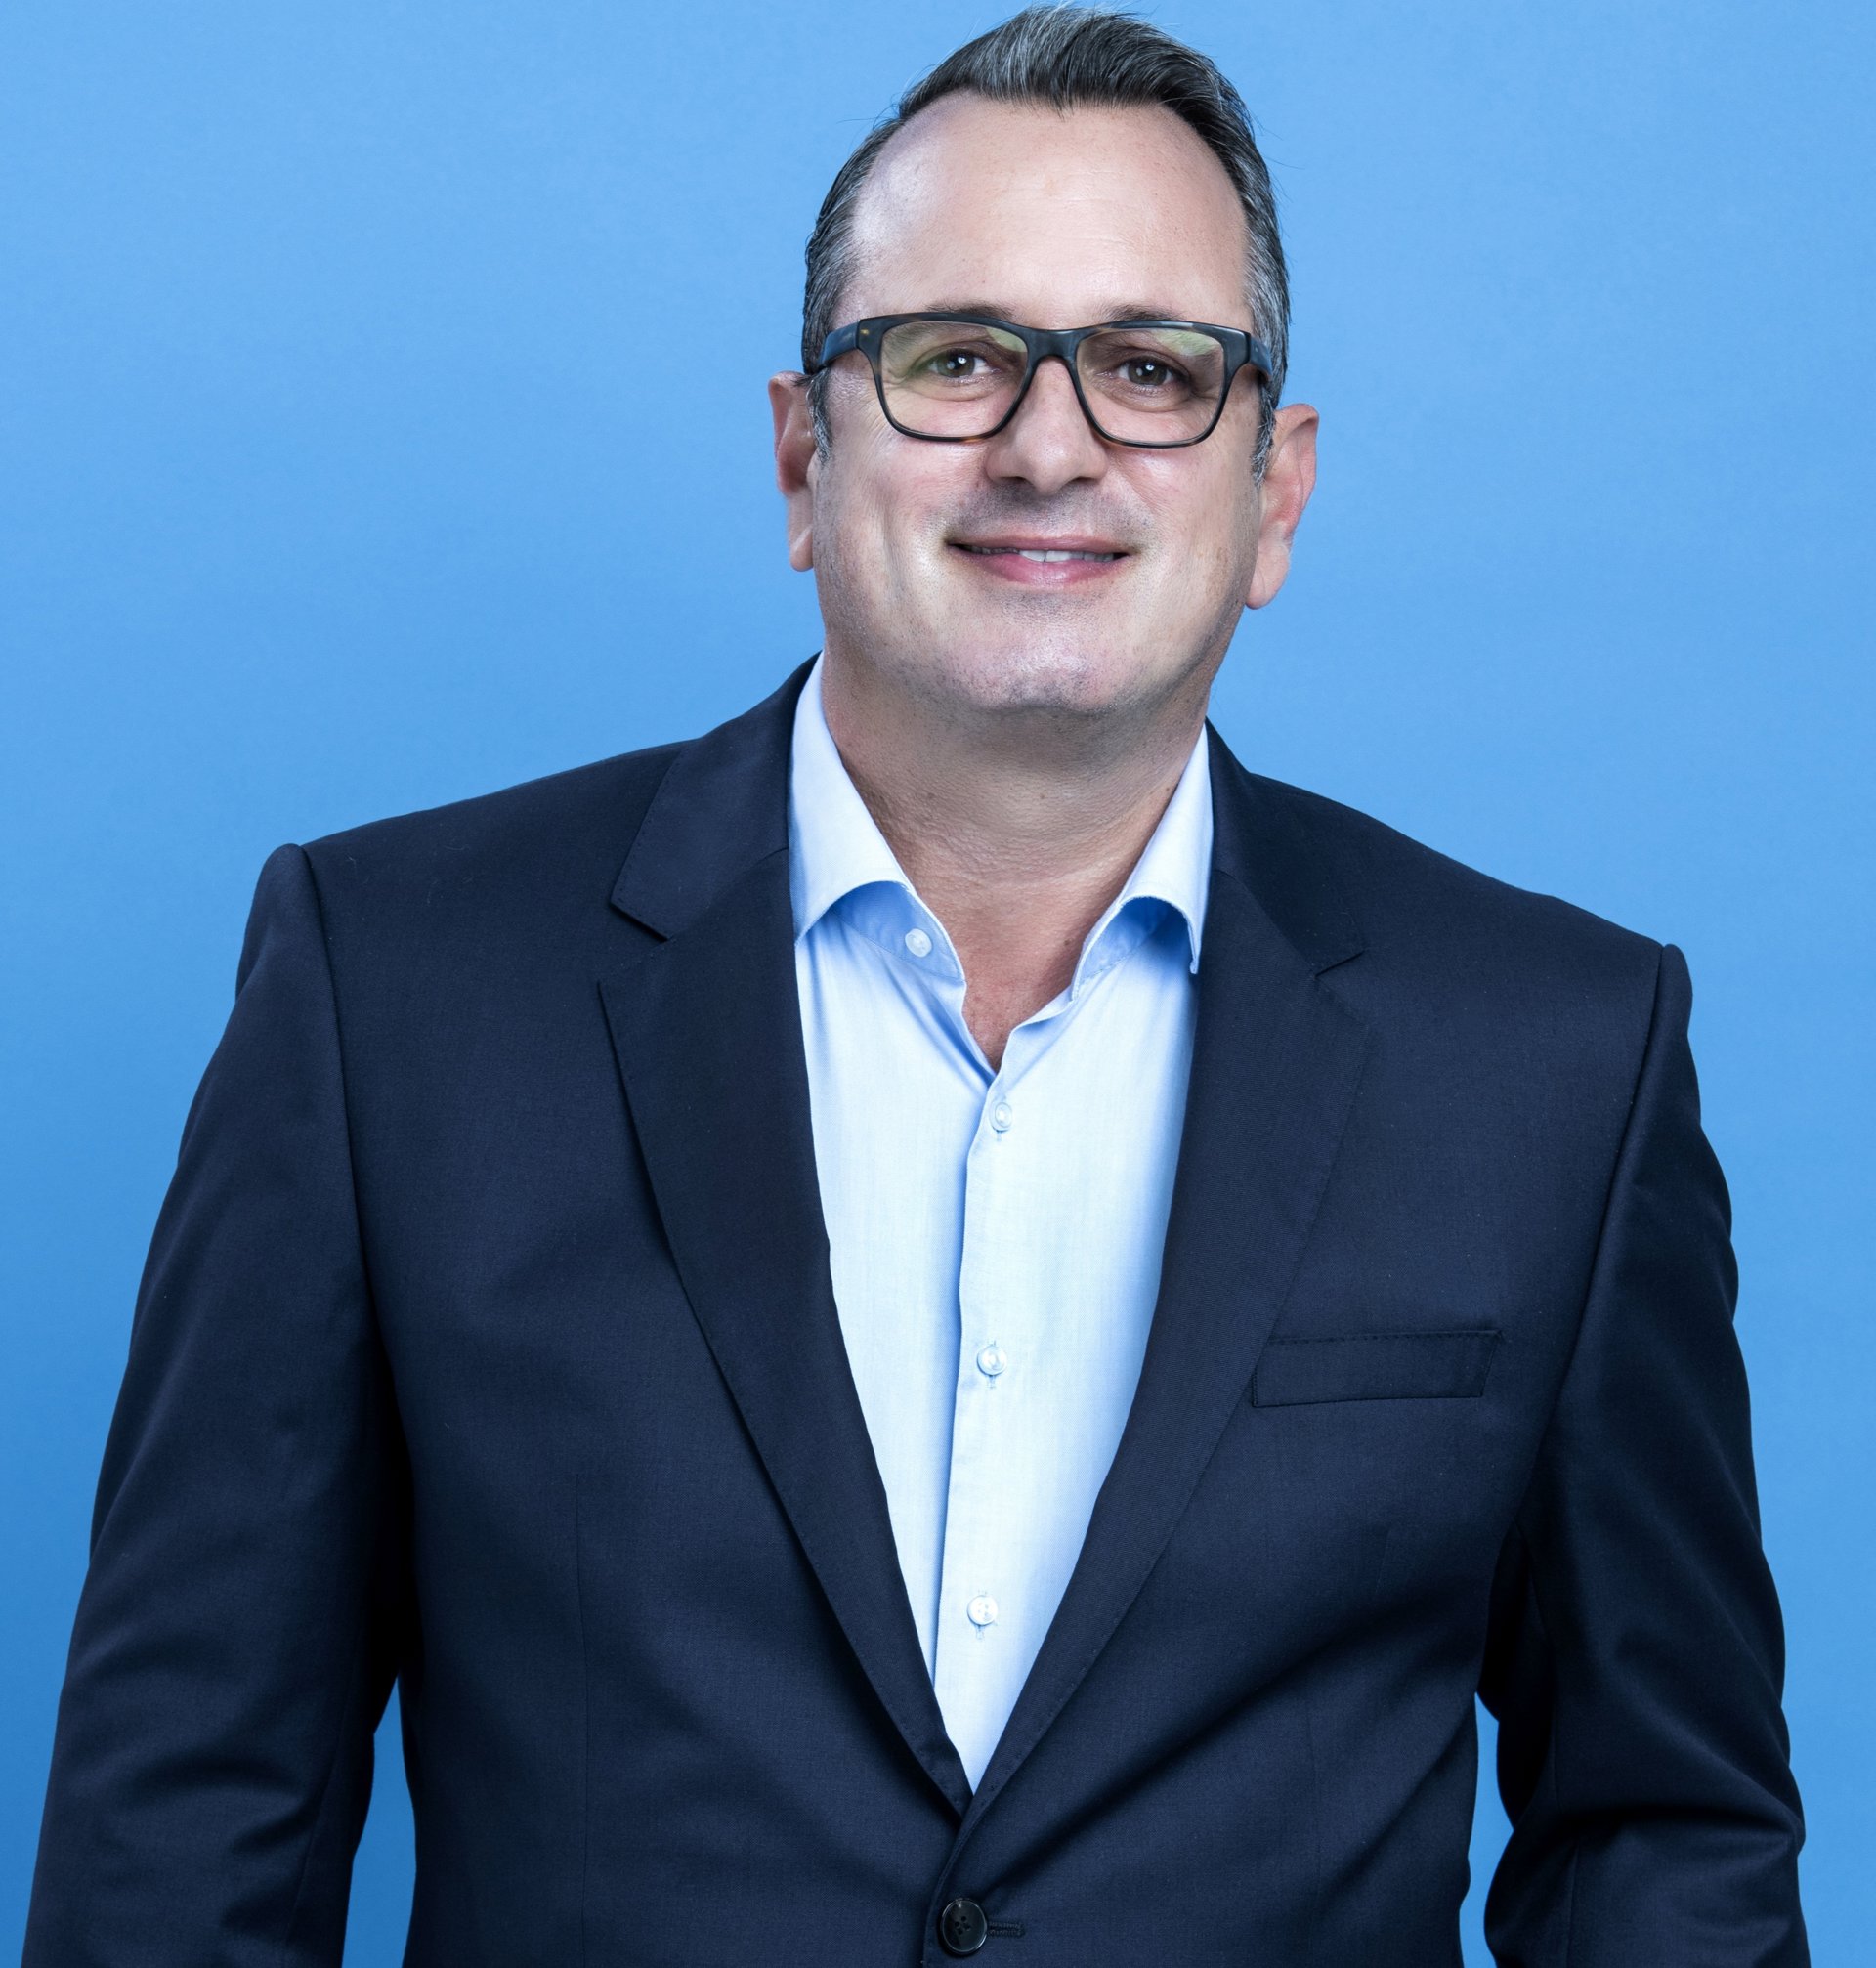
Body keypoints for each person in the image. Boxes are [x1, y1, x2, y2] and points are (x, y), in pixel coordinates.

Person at [25, 8, 1807, 1964]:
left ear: (1275, 495)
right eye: (954, 358)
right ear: (804, 456)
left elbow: (1664, 1838)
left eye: (1152, 368)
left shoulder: (1555, 1063)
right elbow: (180, 1830)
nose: (1049, 445)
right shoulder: (391, 993)